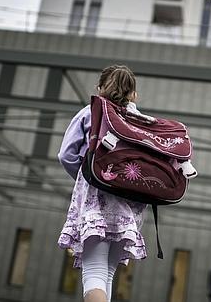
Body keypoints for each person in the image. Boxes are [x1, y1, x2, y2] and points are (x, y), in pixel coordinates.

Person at [57, 65, 146, 302]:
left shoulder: (89, 113)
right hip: (129, 208)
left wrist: (90, 177)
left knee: (94, 272)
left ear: (99, 88)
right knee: (106, 273)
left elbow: (66, 155)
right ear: (134, 95)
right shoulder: (141, 122)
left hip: (96, 203)